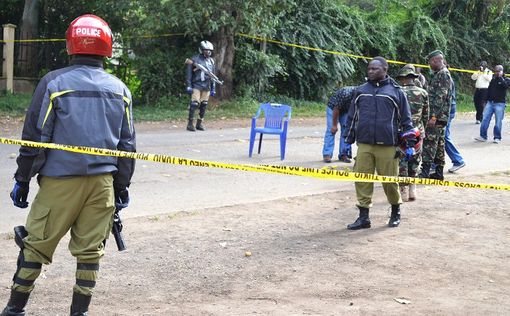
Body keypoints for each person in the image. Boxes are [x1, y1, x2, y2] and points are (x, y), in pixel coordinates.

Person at [1, 14, 136, 316]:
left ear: (70, 45)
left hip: (59, 184)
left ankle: (14, 309)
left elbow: (35, 138)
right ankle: (80, 312)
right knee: (90, 252)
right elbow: (127, 147)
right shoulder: (121, 90)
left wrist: (23, 179)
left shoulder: (54, 82)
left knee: (35, 245)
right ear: (107, 48)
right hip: (102, 186)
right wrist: (122, 188)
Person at [343, 57, 413, 229]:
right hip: (365, 143)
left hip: (388, 144)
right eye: (369, 69)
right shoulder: (360, 91)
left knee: (390, 181)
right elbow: (352, 116)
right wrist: (348, 139)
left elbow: (406, 120)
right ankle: (363, 217)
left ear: (385, 69)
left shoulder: (397, 92)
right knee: (362, 179)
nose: (370, 71)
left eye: (375, 68)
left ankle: (396, 211)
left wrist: (409, 144)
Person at [395, 65, 429, 202]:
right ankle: (412, 189)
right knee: (415, 159)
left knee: (402, 161)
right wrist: (422, 129)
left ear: (403, 79)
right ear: (413, 78)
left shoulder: (398, 92)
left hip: (402, 131)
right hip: (417, 131)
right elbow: (426, 115)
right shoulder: (423, 93)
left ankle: (403, 191)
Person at [419, 50, 453, 180]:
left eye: (429, 63)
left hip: (437, 117)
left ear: (435, 60)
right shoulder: (441, 74)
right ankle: (438, 173)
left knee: (430, 143)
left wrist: (433, 116)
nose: (429, 66)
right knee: (439, 144)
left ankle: (425, 172)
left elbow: (440, 97)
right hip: (440, 117)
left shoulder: (443, 75)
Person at [185, 40, 217, 132]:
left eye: (209, 50)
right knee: (194, 103)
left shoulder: (211, 61)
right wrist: (189, 85)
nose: (208, 52)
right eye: (206, 50)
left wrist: (213, 88)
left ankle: (199, 123)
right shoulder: (194, 59)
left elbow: (213, 76)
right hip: (196, 84)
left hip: (206, 86)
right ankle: (190, 124)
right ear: (201, 50)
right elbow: (189, 74)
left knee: (204, 104)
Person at [474, 65, 510, 143]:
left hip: (500, 104)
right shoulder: (493, 79)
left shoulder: (506, 79)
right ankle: (483, 136)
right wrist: (485, 101)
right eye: (495, 71)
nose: (496, 73)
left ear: (502, 71)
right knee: (485, 119)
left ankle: (497, 137)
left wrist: (500, 77)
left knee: (498, 121)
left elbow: (505, 86)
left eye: (498, 71)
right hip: (490, 103)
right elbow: (489, 90)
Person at [322, 86, 356, 163]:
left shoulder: (361, 96)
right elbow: (336, 109)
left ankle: (344, 154)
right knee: (331, 130)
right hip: (333, 108)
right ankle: (327, 154)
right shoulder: (346, 93)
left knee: (346, 131)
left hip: (346, 109)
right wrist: (334, 125)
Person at [445, 79, 466, 173]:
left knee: (444, 136)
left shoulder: (444, 77)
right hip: (448, 109)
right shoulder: (441, 76)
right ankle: (434, 164)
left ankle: (458, 160)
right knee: (440, 137)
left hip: (447, 110)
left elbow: (443, 97)